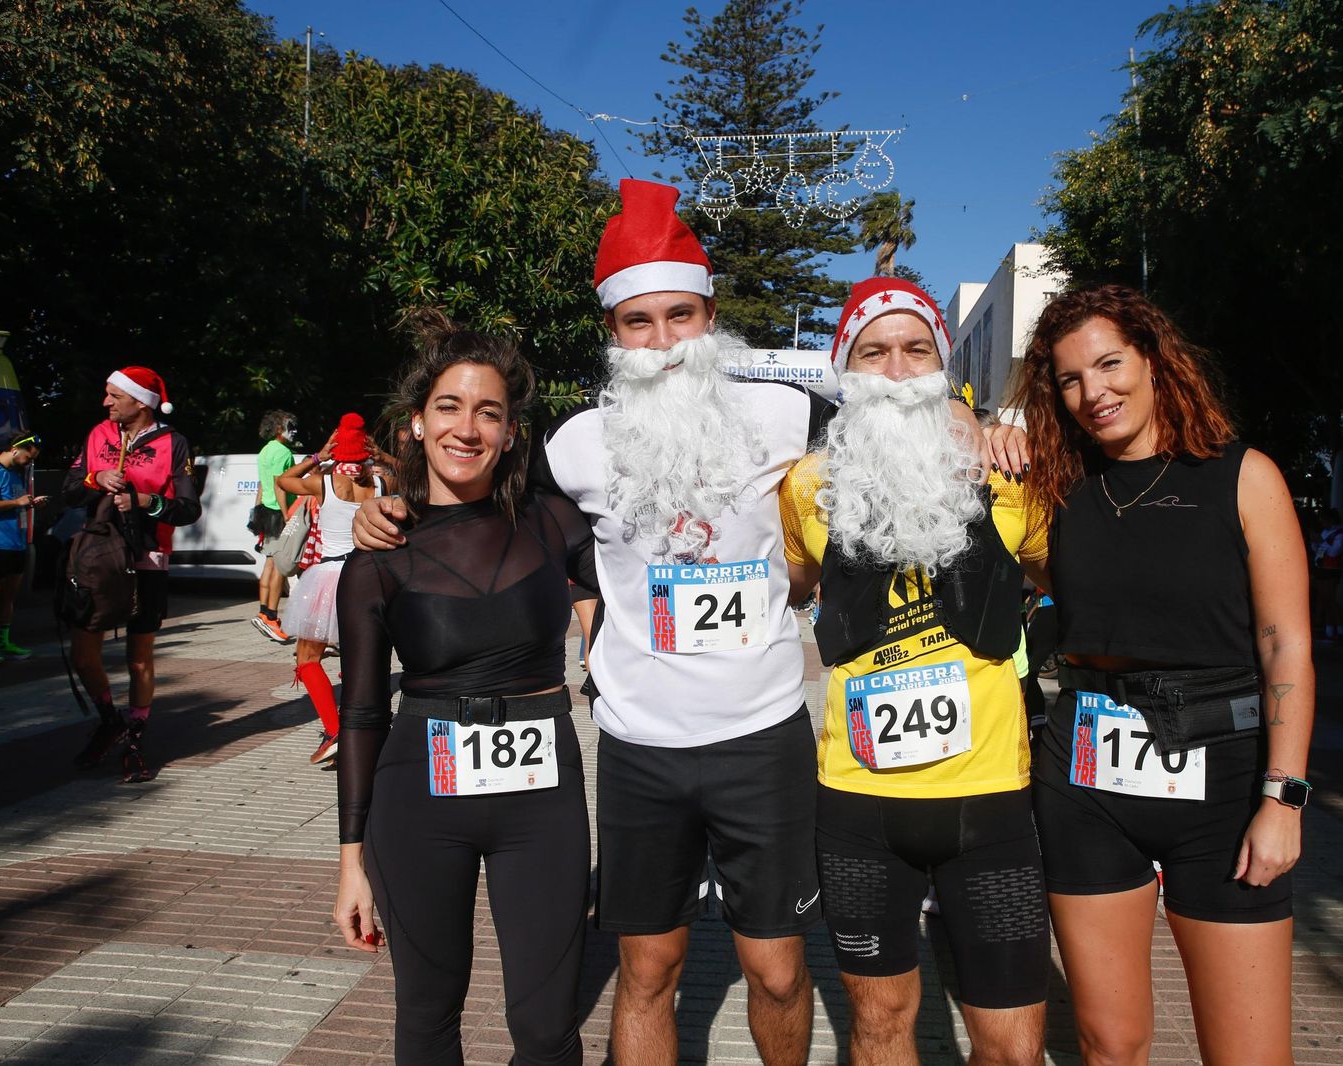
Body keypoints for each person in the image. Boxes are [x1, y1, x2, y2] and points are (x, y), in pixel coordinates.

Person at [354, 180, 1026, 1066]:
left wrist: (957, 411)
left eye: (680, 315)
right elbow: (485, 511)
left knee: (780, 974)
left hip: (763, 739)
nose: (664, 342)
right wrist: (390, 508)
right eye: (639, 322)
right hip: (641, 747)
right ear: (613, 333)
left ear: (712, 317)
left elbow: (885, 401)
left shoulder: (785, 413)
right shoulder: (573, 446)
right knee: (647, 972)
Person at [1008, 285, 1314, 1065]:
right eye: (1070, 379)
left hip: (1223, 781)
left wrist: (1285, 798)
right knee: (1108, 1044)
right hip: (1085, 777)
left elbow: (1287, 647)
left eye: (1110, 364)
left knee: (1248, 1054)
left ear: (1153, 360)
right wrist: (969, 426)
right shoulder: (1058, 484)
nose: (1093, 393)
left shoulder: (1244, 476)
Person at [778, 278, 1051, 1066]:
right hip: (861, 805)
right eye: (875, 351)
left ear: (943, 362)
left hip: (991, 802)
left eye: (915, 348)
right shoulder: (807, 485)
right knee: (881, 1026)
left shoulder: (1009, 472)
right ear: (847, 369)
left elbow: (1064, 572)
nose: (897, 369)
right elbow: (794, 586)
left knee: (1010, 1044)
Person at [331, 313, 597, 1064]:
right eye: (449, 406)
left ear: (512, 432)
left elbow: (638, 583)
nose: (468, 428)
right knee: (426, 1014)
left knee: (548, 1027)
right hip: (417, 794)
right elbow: (359, 713)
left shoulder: (553, 523)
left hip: (541, 795)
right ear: (416, 422)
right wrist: (351, 861)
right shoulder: (379, 555)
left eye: (490, 412)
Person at [66, 367, 202, 782]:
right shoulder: (98, 436)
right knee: (82, 650)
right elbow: (70, 489)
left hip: (148, 558)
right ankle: (110, 719)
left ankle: (135, 738)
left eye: (113, 395)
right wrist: (96, 477)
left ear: (140, 402)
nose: (105, 403)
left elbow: (189, 509)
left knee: (138, 657)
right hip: (99, 557)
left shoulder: (174, 443)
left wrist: (146, 500)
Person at [276, 413, 387, 765]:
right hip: (369, 577)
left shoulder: (324, 482)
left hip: (328, 578)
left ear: (337, 447)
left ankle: (335, 730)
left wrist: (317, 456)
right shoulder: (382, 482)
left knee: (308, 658)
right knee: (358, 658)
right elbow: (420, 477)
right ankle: (361, 730)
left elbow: (283, 480)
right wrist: (383, 456)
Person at [0, 432, 50, 666]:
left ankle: (2, 643)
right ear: (15, 449)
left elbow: (17, 504)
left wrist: (31, 504)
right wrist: (17, 503)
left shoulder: (16, 473)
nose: (29, 462)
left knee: (7, 597)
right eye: (28, 457)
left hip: (16, 542)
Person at [251, 409, 298, 643]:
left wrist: (256, 510)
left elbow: (263, 483)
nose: (294, 430)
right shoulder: (283, 452)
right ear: (279, 427)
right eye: (290, 425)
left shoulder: (264, 451)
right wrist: (287, 513)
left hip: (265, 511)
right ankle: (270, 616)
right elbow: (281, 484)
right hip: (278, 512)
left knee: (269, 563)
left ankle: (264, 612)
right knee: (279, 566)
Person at [1310, 508, 1343, 642]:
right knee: (1325, 600)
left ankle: (1338, 630)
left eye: (1323, 519)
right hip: (1321, 567)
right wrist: (1315, 543)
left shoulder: (1340, 534)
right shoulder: (1325, 532)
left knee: (1330, 599)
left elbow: (1334, 552)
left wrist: (1321, 542)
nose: (1321, 522)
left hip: (1331, 569)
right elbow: (1318, 550)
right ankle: (1330, 630)